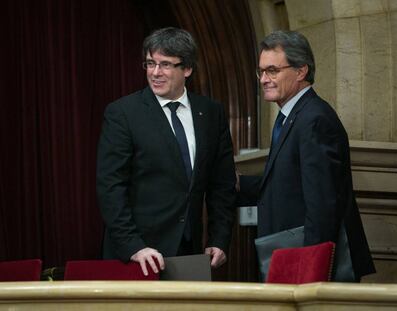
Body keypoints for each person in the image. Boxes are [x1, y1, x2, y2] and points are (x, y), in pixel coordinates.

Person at [97, 27, 236, 276]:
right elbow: (111, 186)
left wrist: (220, 239)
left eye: (165, 65)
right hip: (137, 255)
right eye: (150, 63)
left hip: (190, 253)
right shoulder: (123, 113)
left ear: (188, 69)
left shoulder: (211, 113)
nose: (155, 73)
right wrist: (134, 246)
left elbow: (222, 184)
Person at [238, 30, 375, 281]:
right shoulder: (293, 116)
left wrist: (310, 272)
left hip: (307, 266)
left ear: (301, 71)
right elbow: (288, 184)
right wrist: (236, 184)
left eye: (272, 71)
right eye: (261, 71)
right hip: (290, 257)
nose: (263, 79)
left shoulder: (314, 119)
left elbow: (322, 204)